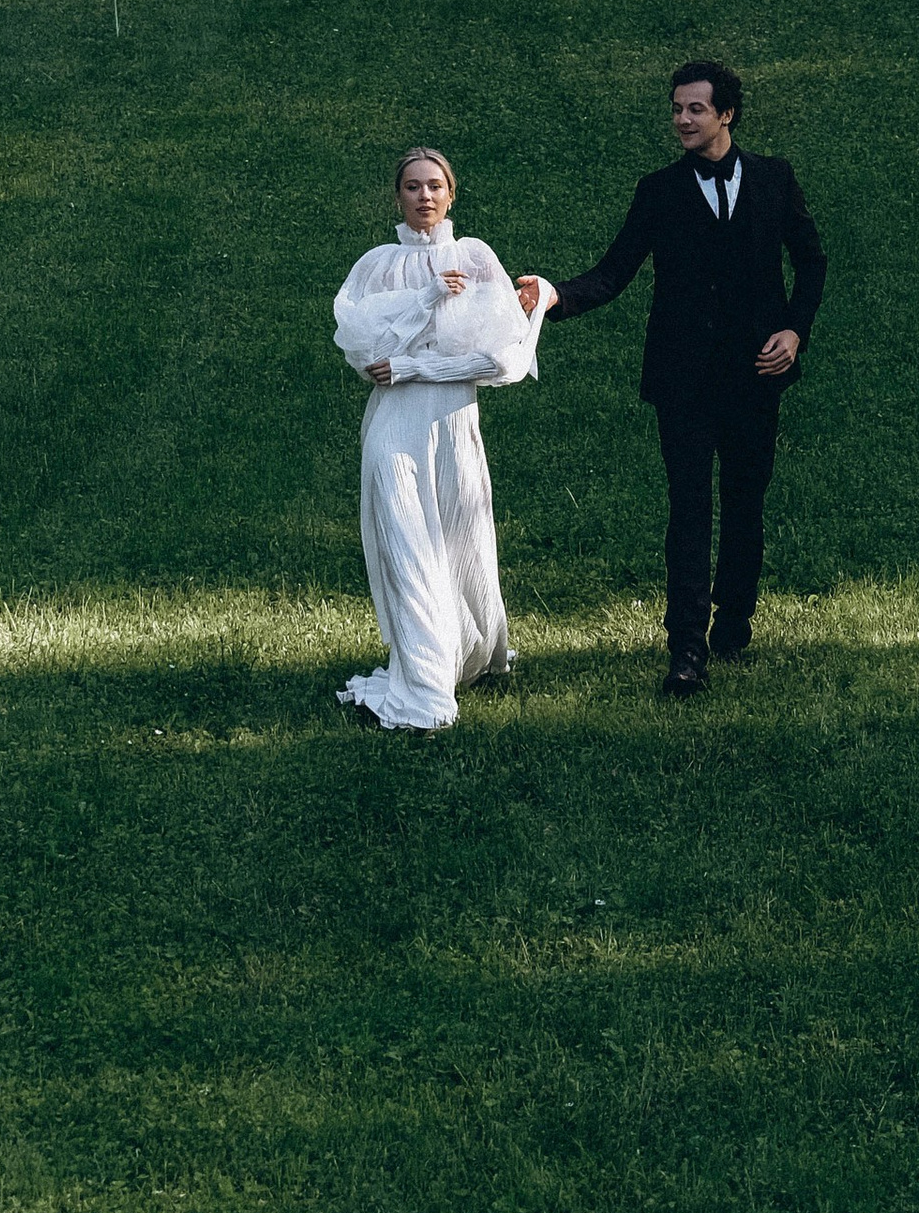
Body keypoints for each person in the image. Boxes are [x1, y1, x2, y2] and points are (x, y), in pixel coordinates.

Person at [519, 62, 825, 697]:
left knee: (745, 505)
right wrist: (551, 295)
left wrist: (794, 331)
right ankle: (686, 652)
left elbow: (813, 261)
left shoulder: (774, 178)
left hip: (756, 376)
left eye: (695, 110)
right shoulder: (658, 190)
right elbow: (613, 272)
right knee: (688, 512)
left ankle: (733, 626)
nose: (682, 120)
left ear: (727, 114)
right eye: (677, 110)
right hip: (682, 382)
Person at [332, 149, 551, 732]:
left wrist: (416, 368)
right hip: (393, 427)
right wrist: (424, 301)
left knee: (459, 540)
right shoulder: (376, 266)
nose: (424, 196)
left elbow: (501, 361)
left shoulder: (476, 258)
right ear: (397, 196)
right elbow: (363, 352)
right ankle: (425, 685)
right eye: (412, 187)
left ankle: (468, 651)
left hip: (451, 422)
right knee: (405, 544)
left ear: (451, 194)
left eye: (434, 186)